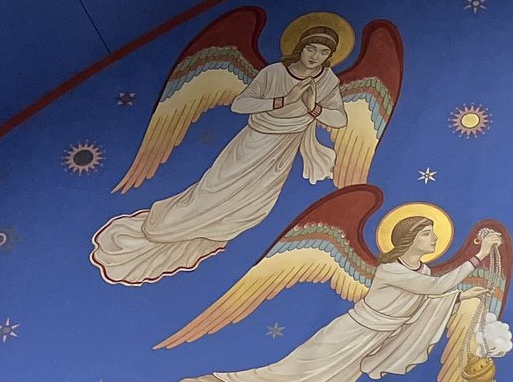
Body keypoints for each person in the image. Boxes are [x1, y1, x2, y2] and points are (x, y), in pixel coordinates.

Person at [144, 216, 504, 382]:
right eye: (427, 233)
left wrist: (460, 298)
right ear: (408, 239)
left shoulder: (419, 269)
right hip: (347, 336)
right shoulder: (392, 268)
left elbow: (424, 297)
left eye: (433, 233)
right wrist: (480, 254)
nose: (435, 239)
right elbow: (433, 288)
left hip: (367, 344)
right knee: (281, 380)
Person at [93, 25, 348, 286]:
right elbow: (240, 104)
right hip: (253, 142)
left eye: (323, 52)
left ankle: (205, 235)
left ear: (330, 56)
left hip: (283, 151)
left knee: (256, 204)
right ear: (300, 47)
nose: (315, 56)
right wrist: (282, 100)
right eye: (311, 48)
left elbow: (339, 119)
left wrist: (313, 107)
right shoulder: (274, 73)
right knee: (214, 188)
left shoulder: (327, 82)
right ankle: (171, 225)